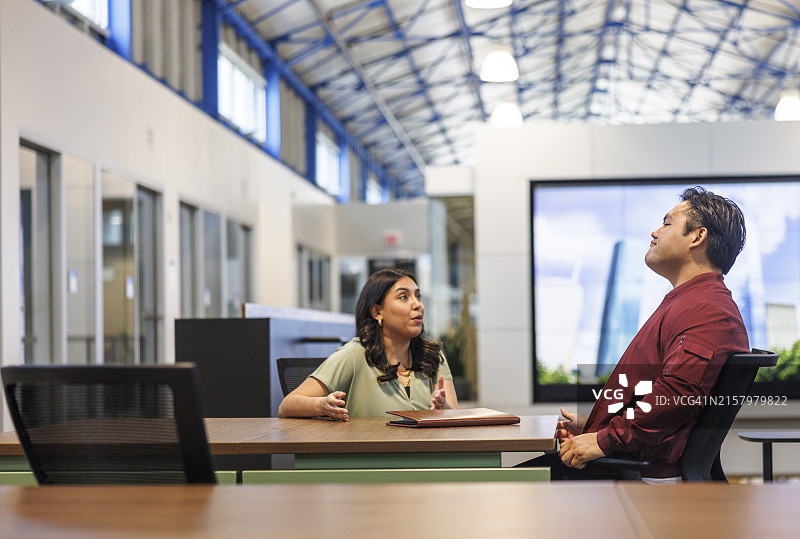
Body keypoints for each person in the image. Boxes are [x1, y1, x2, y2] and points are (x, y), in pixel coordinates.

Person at [524, 186, 749, 481]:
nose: (655, 232)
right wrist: (597, 426)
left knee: (489, 492)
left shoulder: (706, 310)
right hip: (626, 461)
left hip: (632, 473)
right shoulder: (691, 302)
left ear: (697, 237)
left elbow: (677, 395)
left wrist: (604, 440)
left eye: (667, 223)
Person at [278, 268, 458, 419]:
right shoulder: (355, 354)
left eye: (418, 296)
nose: (417, 304)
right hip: (370, 458)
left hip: (425, 456)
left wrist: (444, 408)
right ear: (377, 311)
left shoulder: (432, 355)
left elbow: (455, 417)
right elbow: (287, 406)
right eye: (404, 297)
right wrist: (323, 405)